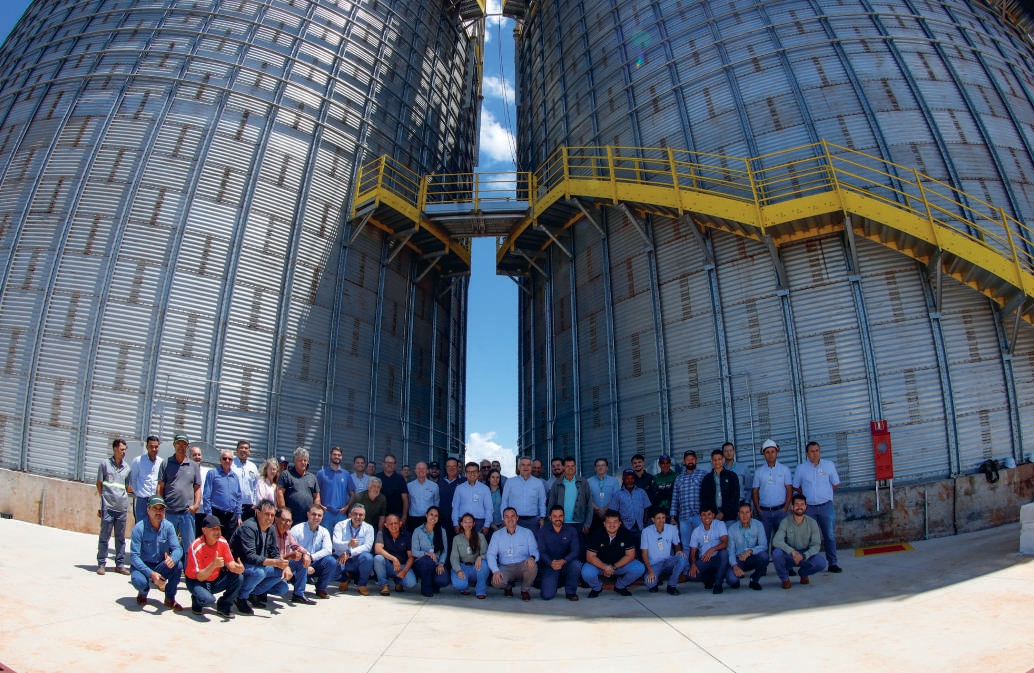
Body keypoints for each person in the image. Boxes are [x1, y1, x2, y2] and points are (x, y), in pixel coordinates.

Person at [229, 499, 291, 614]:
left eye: (272, 515)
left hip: (258, 565)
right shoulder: (248, 527)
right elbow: (250, 557)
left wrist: (284, 565)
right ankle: (240, 597)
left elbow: (274, 551)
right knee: (259, 573)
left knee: (282, 582)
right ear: (257, 512)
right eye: (267, 514)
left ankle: (253, 593)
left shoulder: (271, 528)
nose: (270, 518)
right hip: (240, 565)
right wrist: (274, 562)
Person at [794, 441, 842, 573]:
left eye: (817, 451)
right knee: (808, 538)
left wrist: (825, 492)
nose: (815, 454)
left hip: (826, 506)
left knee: (829, 536)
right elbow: (796, 486)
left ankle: (833, 563)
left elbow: (836, 483)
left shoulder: (828, 465)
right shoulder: (801, 468)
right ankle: (809, 563)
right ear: (807, 454)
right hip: (809, 508)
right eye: (812, 451)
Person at [129, 496, 183, 611]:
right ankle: (143, 593)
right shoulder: (139, 528)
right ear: (148, 509)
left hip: (160, 565)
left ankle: (170, 598)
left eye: (161, 509)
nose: (158, 512)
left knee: (178, 565)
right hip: (143, 566)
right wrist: (151, 574)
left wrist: (173, 558)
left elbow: (178, 549)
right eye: (155, 508)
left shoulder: (168, 526)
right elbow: (134, 557)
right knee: (139, 581)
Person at [184, 514, 243, 617]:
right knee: (208, 600)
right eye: (213, 529)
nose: (217, 532)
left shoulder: (223, 541)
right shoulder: (196, 546)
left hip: (214, 580)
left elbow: (230, 564)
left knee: (239, 578)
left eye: (219, 529)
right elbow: (199, 576)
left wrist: (238, 568)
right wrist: (213, 565)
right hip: (197, 581)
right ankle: (196, 600)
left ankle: (224, 606)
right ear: (204, 530)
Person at [581, 509, 644, 597]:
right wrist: (605, 567)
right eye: (609, 522)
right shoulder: (597, 534)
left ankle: (620, 586)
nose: (612, 525)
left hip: (618, 565)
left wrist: (613, 567)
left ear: (619, 523)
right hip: (600, 565)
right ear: (604, 524)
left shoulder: (625, 533)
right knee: (586, 572)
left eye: (615, 522)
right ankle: (597, 587)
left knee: (639, 568)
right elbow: (590, 557)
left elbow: (630, 555)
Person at [772, 493, 827, 588]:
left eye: (802, 504)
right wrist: (792, 552)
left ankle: (803, 573)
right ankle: (785, 579)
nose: (799, 507)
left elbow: (816, 545)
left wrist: (804, 555)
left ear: (806, 507)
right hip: (790, 555)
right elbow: (776, 541)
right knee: (776, 553)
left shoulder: (812, 523)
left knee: (821, 563)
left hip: (805, 555)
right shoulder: (785, 522)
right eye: (797, 504)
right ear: (792, 507)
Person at [157, 433, 202, 547]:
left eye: (184, 444)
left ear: (187, 447)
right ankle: (165, 565)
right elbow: (160, 487)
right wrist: (160, 508)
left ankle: (188, 565)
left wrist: (195, 506)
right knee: (165, 544)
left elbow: (197, 488)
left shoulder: (194, 466)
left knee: (189, 545)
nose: (181, 447)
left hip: (187, 513)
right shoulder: (166, 463)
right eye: (178, 444)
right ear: (174, 445)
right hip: (169, 512)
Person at [96, 438, 132, 575]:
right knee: (104, 536)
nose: (124, 452)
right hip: (108, 508)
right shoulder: (104, 464)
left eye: (125, 450)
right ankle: (101, 564)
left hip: (121, 508)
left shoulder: (127, 468)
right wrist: (103, 499)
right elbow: (99, 483)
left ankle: (120, 564)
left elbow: (127, 487)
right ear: (115, 449)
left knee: (121, 538)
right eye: (122, 449)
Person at [486, 507, 539, 600]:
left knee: (533, 566)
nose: (510, 519)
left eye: (512, 516)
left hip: (522, 565)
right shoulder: (497, 535)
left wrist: (532, 558)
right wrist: (495, 571)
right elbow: (491, 554)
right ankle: (508, 587)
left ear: (517, 517)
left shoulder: (527, 533)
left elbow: (535, 551)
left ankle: (524, 590)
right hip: (505, 567)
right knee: (496, 582)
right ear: (503, 519)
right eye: (507, 516)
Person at [752, 438, 793, 546]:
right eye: (767, 452)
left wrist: (785, 508)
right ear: (763, 454)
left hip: (780, 511)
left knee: (782, 541)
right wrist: (759, 510)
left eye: (772, 452)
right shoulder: (759, 472)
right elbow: (755, 491)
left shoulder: (785, 470)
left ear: (777, 452)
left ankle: (781, 562)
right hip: (764, 513)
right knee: (763, 542)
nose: (770, 455)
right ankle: (763, 562)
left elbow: (789, 489)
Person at [536, 505, 582, 601]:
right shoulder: (542, 532)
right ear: (550, 518)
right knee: (547, 596)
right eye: (555, 516)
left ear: (564, 517)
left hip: (566, 564)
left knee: (577, 565)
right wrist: (550, 562)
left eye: (560, 516)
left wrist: (564, 561)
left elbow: (575, 551)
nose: (558, 519)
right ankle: (554, 583)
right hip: (549, 565)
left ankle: (571, 592)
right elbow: (542, 552)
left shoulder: (571, 530)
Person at [290, 505, 336, 600]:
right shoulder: (297, 529)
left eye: (319, 515)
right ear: (308, 514)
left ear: (322, 517)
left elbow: (328, 550)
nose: (316, 517)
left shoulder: (324, 531)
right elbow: (291, 550)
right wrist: (305, 559)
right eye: (313, 514)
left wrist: (311, 557)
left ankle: (320, 589)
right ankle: (298, 594)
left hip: (314, 562)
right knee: (300, 562)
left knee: (331, 561)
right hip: (299, 563)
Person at [332, 502, 375, 596]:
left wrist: (349, 552)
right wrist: (348, 544)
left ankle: (361, 585)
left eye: (361, 515)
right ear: (350, 514)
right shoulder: (340, 525)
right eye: (355, 514)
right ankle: (344, 579)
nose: (358, 517)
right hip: (341, 558)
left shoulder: (369, 528)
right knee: (332, 567)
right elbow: (335, 544)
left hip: (356, 559)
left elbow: (367, 547)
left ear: (364, 517)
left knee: (368, 558)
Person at [640, 510, 687, 595]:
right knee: (649, 583)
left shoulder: (672, 529)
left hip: (667, 562)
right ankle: (656, 580)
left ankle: (672, 585)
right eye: (658, 518)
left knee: (682, 557)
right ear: (653, 519)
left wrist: (679, 551)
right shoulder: (646, 532)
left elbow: (677, 545)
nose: (661, 520)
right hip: (654, 564)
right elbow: (644, 553)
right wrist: (650, 571)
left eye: (663, 518)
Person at [202, 449, 242, 543]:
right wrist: (209, 515)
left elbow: (239, 497)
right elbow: (206, 496)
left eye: (230, 459)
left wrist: (239, 516)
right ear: (220, 459)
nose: (227, 461)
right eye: (225, 458)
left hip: (232, 516)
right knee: (214, 542)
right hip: (217, 514)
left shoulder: (235, 477)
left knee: (229, 543)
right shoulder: (212, 473)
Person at [726, 503, 769, 591]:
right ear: (738, 514)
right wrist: (735, 566)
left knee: (764, 556)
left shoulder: (758, 525)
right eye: (742, 513)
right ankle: (736, 579)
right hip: (739, 559)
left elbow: (764, 545)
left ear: (751, 513)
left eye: (747, 512)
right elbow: (731, 551)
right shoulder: (732, 529)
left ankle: (754, 579)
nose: (744, 515)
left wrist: (750, 551)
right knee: (731, 580)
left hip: (752, 557)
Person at [272, 508, 311, 603]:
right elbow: (273, 556)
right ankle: (259, 593)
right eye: (284, 520)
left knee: (302, 559)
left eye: (289, 521)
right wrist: (289, 556)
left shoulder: (288, 533)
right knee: (282, 588)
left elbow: (296, 546)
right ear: (276, 519)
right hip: (272, 564)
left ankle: (298, 594)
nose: (287, 523)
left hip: (284, 563)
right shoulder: (270, 532)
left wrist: (305, 554)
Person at [546, 456, 592, 535]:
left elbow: (589, 505)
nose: (570, 468)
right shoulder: (557, 484)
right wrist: (552, 522)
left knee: (578, 547)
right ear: (563, 467)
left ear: (575, 467)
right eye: (567, 466)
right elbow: (551, 505)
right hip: (561, 523)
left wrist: (587, 524)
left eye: (572, 466)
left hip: (579, 523)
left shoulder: (583, 483)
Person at [687, 508, 729, 594]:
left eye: (709, 514)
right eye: (704, 515)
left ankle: (718, 584)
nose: (706, 517)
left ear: (713, 515)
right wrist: (693, 564)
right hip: (705, 559)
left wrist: (713, 549)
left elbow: (725, 543)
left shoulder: (720, 524)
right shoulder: (696, 531)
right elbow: (692, 552)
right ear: (700, 517)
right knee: (691, 575)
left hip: (718, 558)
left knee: (724, 553)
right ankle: (710, 578)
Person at [411, 505, 450, 597]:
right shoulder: (418, 531)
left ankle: (434, 583)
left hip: (436, 563)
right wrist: (426, 553)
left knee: (443, 580)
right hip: (422, 562)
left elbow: (444, 550)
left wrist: (441, 563)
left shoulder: (441, 531)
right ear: (426, 515)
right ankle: (426, 588)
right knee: (427, 561)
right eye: (431, 515)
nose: (433, 517)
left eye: (436, 516)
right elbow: (414, 551)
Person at [669, 449, 705, 548]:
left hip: (699, 516)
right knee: (686, 546)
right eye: (688, 459)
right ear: (684, 462)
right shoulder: (679, 478)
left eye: (692, 459)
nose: (690, 461)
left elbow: (708, 494)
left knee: (702, 544)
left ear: (696, 460)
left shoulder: (703, 474)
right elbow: (675, 499)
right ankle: (687, 564)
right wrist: (672, 517)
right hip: (684, 518)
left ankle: (702, 563)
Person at [276, 447, 321, 525]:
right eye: (300, 460)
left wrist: (315, 512)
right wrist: (284, 511)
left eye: (305, 460)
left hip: (308, 520)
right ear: (295, 461)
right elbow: (279, 492)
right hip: (290, 520)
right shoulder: (286, 475)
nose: (303, 463)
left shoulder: (312, 477)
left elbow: (316, 496)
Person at [373, 513, 417, 594]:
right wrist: (393, 559)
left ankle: (399, 582)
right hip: (387, 565)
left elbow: (411, 557)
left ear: (400, 523)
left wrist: (404, 571)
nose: (394, 526)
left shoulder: (407, 535)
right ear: (386, 525)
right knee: (378, 558)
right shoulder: (382, 533)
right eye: (391, 524)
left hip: (401, 566)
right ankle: (384, 585)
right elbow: (377, 549)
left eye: (396, 523)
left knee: (411, 583)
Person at [450, 512, 490, 597]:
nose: (467, 524)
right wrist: (458, 570)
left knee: (485, 564)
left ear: (474, 523)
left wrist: (480, 557)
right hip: (463, 567)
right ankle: (465, 588)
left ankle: (481, 591)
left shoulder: (480, 537)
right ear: (461, 523)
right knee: (460, 584)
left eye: (470, 522)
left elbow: (487, 553)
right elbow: (454, 558)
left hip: (475, 567)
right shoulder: (457, 539)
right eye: (465, 522)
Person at [501, 456, 546, 530]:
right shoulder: (510, 482)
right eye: (523, 465)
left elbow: (542, 501)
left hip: (533, 521)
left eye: (528, 465)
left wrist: (542, 518)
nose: (526, 467)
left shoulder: (538, 483)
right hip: (514, 520)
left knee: (532, 541)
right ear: (519, 467)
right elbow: (504, 501)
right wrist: (503, 518)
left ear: (531, 467)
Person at [609, 469, 650, 545]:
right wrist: (621, 525)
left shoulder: (641, 492)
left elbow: (646, 508)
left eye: (632, 478)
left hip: (640, 527)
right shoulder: (618, 494)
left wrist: (644, 523)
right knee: (627, 550)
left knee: (641, 549)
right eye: (627, 479)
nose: (630, 481)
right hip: (625, 528)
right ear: (623, 479)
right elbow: (614, 512)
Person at [316, 446, 350, 533]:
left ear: (341, 457)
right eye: (335, 454)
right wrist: (319, 505)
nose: (337, 457)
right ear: (330, 455)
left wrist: (347, 506)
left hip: (341, 514)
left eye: (339, 455)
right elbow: (316, 491)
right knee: (326, 540)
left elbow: (353, 493)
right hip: (326, 513)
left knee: (341, 541)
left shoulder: (346, 474)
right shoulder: (321, 473)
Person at [700, 448, 739, 522]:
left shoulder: (731, 476)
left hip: (729, 516)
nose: (717, 462)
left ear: (723, 460)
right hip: (713, 516)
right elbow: (704, 497)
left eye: (719, 459)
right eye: (715, 460)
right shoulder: (707, 478)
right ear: (711, 461)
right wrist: (711, 513)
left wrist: (723, 512)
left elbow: (735, 496)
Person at [451, 462, 492, 533]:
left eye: (474, 471)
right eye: (469, 472)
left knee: (479, 544)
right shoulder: (459, 488)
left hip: (479, 523)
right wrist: (455, 524)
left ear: (478, 473)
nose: (472, 474)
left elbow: (489, 508)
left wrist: (487, 525)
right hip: (463, 522)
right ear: (465, 473)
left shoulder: (485, 489)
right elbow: (455, 507)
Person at [129, 435, 161, 523]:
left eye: (156, 447)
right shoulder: (138, 461)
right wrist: (138, 492)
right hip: (142, 501)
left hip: (155, 501)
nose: (153, 449)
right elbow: (133, 479)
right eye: (151, 446)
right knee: (140, 525)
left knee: (155, 526)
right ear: (147, 447)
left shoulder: (161, 462)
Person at [586, 457, 620, 532]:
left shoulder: (614, 481)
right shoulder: (588, 481)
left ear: (607, 468)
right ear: (595, 468)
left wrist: (605, 509)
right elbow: (586, 498)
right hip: (594, 515)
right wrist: (597, 509)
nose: (600, 467)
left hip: (610, 515)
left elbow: (616, 497)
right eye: (598, 465)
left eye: (603, 465)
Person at [406, 461, 439, 532]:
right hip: (413, 519)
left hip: (428, 519)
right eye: (418, 468)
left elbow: (436, 502)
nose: (421, 471)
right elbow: (408, 502)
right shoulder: (409, 486)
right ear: (415, 471)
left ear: (427, 471)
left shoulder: (434, 486)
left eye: (423, 469)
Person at [376, 453, 409, 523]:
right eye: (387, 462)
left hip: (397, 516)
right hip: (379, 516)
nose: (389, 465)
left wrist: (404, 516)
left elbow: (405, 500)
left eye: (392, 463)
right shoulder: (376, 478)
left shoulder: (400, 479)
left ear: (395, 465)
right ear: (383, 464)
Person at [231, 440, 259, 522]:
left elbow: (256, 487)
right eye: (241, 448)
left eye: (246, 448)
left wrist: (255, 503)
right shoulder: (231, 464)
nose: (243, 450)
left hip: (249, 508)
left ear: (249, 451)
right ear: (237, 450)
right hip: (234, 506)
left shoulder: (253, 467)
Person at [436, 457, 462, 542]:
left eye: (454, 466)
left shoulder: (464, 482)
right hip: (443, 521)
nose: (451, 469)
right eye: (449, 466)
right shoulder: (440, 482)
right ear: (445, 467)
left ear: (458, 467)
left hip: (459, 522)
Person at [189, 445, 211, 537]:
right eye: (194, 455)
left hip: (203, 510)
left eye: (199, 455)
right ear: (189, 457)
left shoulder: (207, 471)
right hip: (191, 510)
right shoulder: (186, 471)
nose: (197, 457)